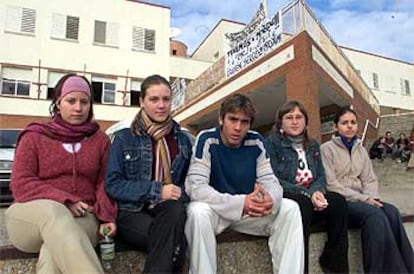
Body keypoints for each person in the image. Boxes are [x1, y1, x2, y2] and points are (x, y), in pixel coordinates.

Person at [5, 74, 117, 273]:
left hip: (83, 218)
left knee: (53, 252)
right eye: (71, 101)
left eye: (84, 102)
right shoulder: (34, 136)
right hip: (29, 218)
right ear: (58, 103)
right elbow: (21, 183)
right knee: (55, 213)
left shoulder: (100, 140)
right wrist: (64, 200)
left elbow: (104, 183)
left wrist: (107, 216)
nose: (78, 108)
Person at [185, 93, 304, 274]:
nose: (238, 128)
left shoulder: (256, 141)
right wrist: (241, 203)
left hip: (248, 212)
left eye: (244, 122)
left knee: (290, 208)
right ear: (221, 119)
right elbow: (195, 187)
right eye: (232, 119)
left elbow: (271, 181)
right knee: (197, 212)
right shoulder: (206, 139)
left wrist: (270, 199)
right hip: (218, 211)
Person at [105, 74, 192, 273]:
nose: (161, 105)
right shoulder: (124, 138)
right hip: (132, 211)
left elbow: (191, 183)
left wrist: (179, 193)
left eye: (166, 99)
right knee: (174, 243)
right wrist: (157, 190)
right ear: (142, 102)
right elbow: (113, 184)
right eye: (154, 99)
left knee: (176, 210)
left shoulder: (182, 140)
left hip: (169, 212)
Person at [320, 107, 414, 273]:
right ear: (336, 127)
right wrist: (363, 199)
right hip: (342, 201)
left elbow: (369, 179)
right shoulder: (327, 149)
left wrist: (372, 198)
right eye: (344, 123)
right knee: (374, 215)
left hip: (363, 199)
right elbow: (331, 184)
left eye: (353, 122)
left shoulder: (361, 150)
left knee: (391, 211)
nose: (349, 126)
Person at [265, 101, 348, 273]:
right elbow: (273, 179)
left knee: (338, 202)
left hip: (311, 194)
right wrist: (307, 194)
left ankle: (334, 262)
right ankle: (302, 268)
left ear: (306, 121)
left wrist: (317, 192)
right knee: (301, 204)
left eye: (299, 117)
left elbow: (320, 175)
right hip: (290, 195)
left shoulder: (313, 145)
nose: (295, 122)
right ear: (280, 123)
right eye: (289, 118)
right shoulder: (272, 144)